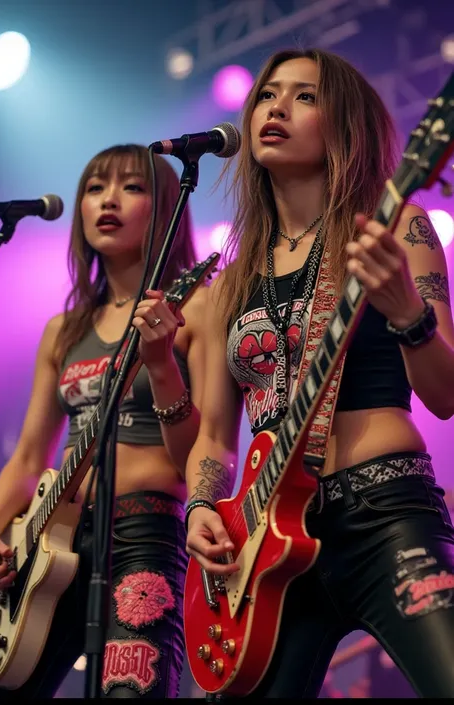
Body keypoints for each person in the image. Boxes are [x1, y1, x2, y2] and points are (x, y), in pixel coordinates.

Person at [185, 48, 454, 698]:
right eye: (268, 94)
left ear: (347, 122)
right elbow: (216, 435)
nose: (275, 106)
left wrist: (408, 314)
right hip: (266, 550)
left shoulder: (400, 229)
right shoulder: (228, 286)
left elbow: (444, 395)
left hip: (382, 509)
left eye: (304, 95)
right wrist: (199, 507)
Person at [0, 143, 207, 698]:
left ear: (167, 208)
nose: (109, 200)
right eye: (95, 187)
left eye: (132, 187)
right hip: (50, 540)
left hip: (142, 531)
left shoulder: (198, 305)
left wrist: (160, 365)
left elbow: (202, 450)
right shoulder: (63, 329)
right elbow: (31, 456)